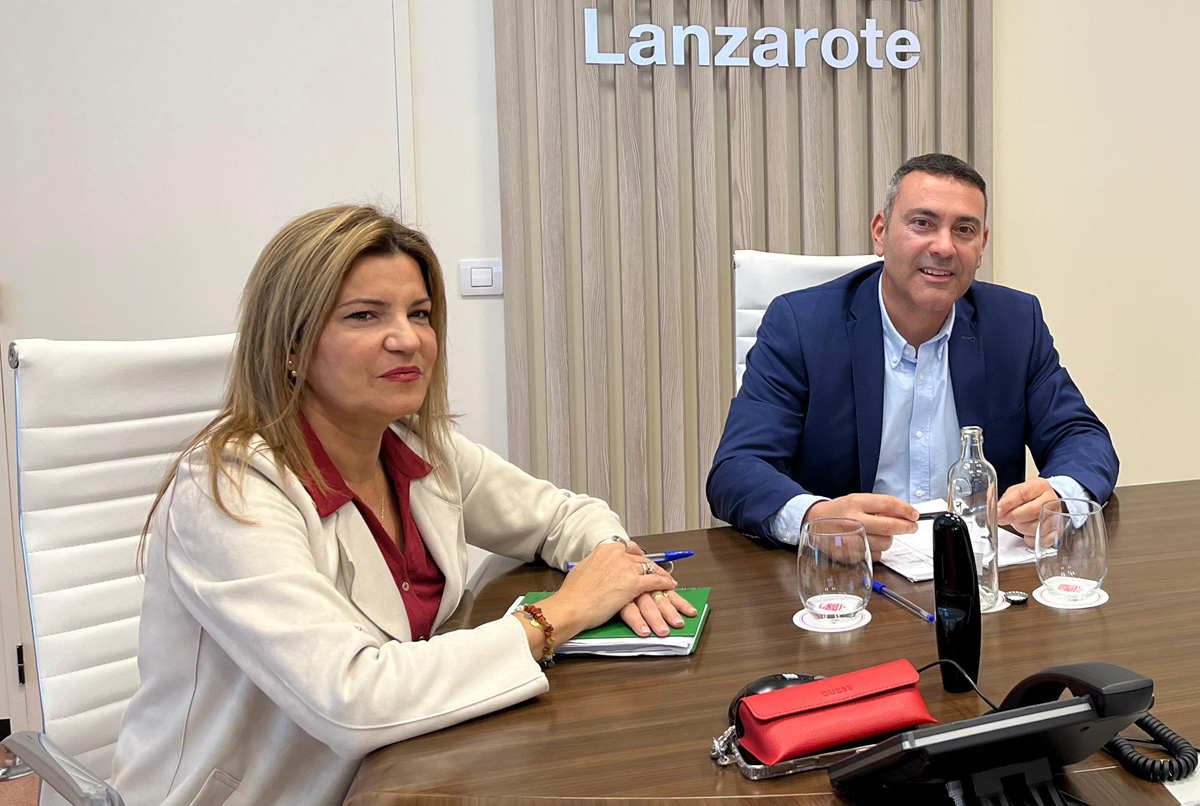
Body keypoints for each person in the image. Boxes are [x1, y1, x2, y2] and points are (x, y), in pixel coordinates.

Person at [110, 205, 696, 806]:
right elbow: (352, 697)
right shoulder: (229, 489)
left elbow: (561, 516)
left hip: (405, 773)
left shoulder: (415, 445)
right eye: (365, 316)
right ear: (290, 347)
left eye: (419, 314)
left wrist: (619, 571)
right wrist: (556, 617)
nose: (408, 338)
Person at [707, 153, 1118, 558]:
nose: (944, 247)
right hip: (849, 578)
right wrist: (818, 518)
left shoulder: (1014, 323)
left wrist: (1061, 497)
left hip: (979, 576)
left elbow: (1082, 437)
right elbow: (738, 468)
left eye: (964, 229)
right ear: (881, 231)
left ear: (982, 244)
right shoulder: (801, 325)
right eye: (922, 223)